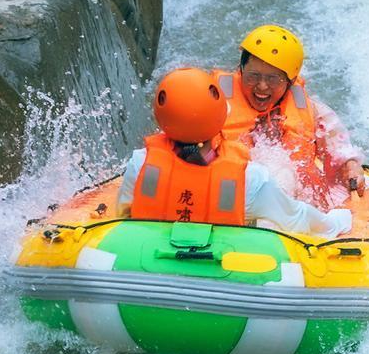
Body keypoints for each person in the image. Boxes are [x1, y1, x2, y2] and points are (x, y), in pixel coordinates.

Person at [117, 68, 352, 238]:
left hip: (148, 262)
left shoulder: (140, 164)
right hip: (225, 271)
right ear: (220, 115)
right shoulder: (251, 178)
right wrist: (337, 222)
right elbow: (296, 218)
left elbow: (124, 214)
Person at [214, 24, 365, 207]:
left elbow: (339, 150)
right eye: (253, 76)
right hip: (228, 199)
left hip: (296, 207)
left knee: (285, 177)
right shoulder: (214, 100)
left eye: (273, 79)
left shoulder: (313, 110)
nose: (262, 86)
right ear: (241, 69)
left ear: (290, 81)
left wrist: (351, 166)